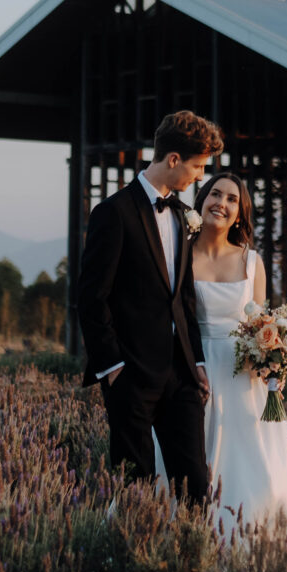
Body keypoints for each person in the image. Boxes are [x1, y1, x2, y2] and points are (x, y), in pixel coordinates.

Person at [73, 110, 219, 502]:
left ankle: (190, 561)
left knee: (196, 491)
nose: (201, 177)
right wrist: (113, 368)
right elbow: (91, 298)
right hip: (131, 376)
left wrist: (197, 362)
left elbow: (183, 299)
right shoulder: (113, 213)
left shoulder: (184, 215)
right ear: (173, 159)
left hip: (182, 377)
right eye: (198, 166)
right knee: (134, 492)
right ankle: (137, 560)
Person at [189, 170, 287, 543]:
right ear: (202, 199)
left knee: (256, 470)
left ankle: (253, 549)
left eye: (232, 199)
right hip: (193, 369)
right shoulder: (179, 254)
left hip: (243, 378)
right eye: (215, 194)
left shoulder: (251, 263)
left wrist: (275, 363)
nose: (222, 203)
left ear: (240, 213)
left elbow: (259, 323)